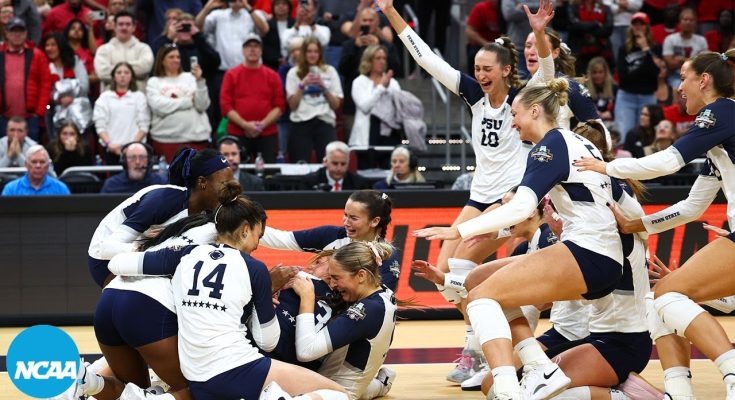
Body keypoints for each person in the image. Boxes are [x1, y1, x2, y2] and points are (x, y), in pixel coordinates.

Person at [415, 74, 638, 398]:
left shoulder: (551, 145)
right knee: (477, 281)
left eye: (515, 115)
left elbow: (522, 206)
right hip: (598, 253)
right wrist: (639, 225)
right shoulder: (581, 143)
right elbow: (626, 202)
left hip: (590, 251)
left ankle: (509, 389)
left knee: (479, 301)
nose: (512, 124)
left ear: (535, 111)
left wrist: (459, 229)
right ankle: (538, 367)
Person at [376, 0, 528, 383]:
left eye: (487, 69)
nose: (480, 75)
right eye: (476, 69)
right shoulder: (476, 98)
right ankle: (482, 342)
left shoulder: (522, 104)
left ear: (507, 70)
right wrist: (391, 12)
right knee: (444, 273)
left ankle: (475, 351)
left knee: (463, 270)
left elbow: (547, 77)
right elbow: (427, 58)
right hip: (478, 198)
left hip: (512, 200)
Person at [91, 182, 349, 400]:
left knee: (148, 384)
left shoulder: (184, 253)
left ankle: (92, 383)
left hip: (186, 363)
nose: (257, 246)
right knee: (338, 395)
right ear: (245, 229)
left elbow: (115, 263)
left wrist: (149, 253)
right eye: (258, 237)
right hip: (235, 366)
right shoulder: (254, 268)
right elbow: (267, 341)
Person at [574, 49, 735, 399]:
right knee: (659, 298)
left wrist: (608, 166)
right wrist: (640, 225)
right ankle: (679, 393)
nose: (680, 88)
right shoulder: (722, 136)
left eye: (685, 79)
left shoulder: (721, 111)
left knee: (668, 294)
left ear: (703, 81)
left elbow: (669, 161)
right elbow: (693, 207)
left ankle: (732, 374)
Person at [86, 147, 234, 289]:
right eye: (224, 184)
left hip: (143, 253)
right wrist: (155, 248)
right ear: (202, 183)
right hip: (104, 261)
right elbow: (106, 248)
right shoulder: (163, 200)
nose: (231, 189)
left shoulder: (210, 207)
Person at [290, 241, 397, 400]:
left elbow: (306, 352)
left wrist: (307, 296)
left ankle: (379, 386)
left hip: (336, 392)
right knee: (361, 387)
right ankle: (381, 385)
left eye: (336, 278)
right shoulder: (384, 294)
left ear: (361, 275)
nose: (332, 284)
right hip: (353, 383)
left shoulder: (368, 310)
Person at [262, 189, 400, 292]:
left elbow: (380, 302)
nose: (346, 222)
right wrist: (245, 225)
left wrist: (306, 280)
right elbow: (281, 238)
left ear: (374, 221)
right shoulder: (332, 235)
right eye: (345, 215)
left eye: (353, 218)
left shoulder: (387, 257)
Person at [220, 33, 285, 163]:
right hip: (237, 132)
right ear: (243, 50)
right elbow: (225, 105)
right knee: (237, 173)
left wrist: (261, 125)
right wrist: (245, 125)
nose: (252, 49)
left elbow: (279, 106)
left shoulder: (272, 75)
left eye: (256, 46)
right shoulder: (231, 75)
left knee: (268, 173)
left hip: (267, 134)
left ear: (261, 51)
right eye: (249, 46)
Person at [146, 44, 211, 162]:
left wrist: (200, 81)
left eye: (178, 57)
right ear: (162, 60)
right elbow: (159, 107)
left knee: (197, 178)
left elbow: (202, 105)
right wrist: (188, 101)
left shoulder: (191, 78)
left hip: (196, 138)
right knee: (171, 178)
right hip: (166, 140)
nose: (176, 60)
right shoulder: (154, 82)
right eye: (171, 57)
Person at [285, 36, 343, 163]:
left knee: (328, 163)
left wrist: (324, 87)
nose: (312, 55)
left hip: (324, 120)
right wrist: (302, 85)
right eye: (309, 51)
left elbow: (336, 105)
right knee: (300, 164)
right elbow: (292, 106)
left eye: (316, 51)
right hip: (301, 122)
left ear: (320, 53)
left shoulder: (330, 71)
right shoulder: (293, 73)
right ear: (303, 53)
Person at [337, 7, 400, 117]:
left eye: (371, 20)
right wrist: (355, 47)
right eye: (364, 20)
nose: (368, 23)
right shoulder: (349, 45)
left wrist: (378, 48)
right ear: (359, 22)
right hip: (353, 107)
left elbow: (396, 69)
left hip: (383, 109)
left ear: (378, 22)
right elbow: (343, 69)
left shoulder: (387, 46)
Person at [0, 17, 52, 140]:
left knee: (31, 153)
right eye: (13, 31)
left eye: (21, 31)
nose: (17, 34)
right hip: (2, 116)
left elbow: (45, 84)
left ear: (26, 33)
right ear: (6, 33)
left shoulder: (37, 55)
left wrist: (39, 112)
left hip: (30, 117)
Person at [93, 62, 150, 165]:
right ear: (113, 76)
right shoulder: (104, 97)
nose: (122, 75)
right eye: (119, 72)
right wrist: (110, 144)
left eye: (126, 72)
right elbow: (100, 125)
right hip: (110, 150)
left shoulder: (139, 97)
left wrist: (131, 147)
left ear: (131, 76)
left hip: (135, 151)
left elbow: (144, 126)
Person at [614, 11, 659, 142]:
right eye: (635, 24)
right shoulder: (624, 49)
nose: (638, 27)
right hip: (627, 96)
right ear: (631, 27)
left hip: (648, 96)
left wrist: (645, 48)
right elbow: (623, 77)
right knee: (624, 134)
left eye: (642, 24)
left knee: (648, 136)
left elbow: (655, 73)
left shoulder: (655, 48)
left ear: (647, 27)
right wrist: (644, 71)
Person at [348, 45, 401, 149]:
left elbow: (399, 107)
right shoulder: (359, 82)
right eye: (378, 58)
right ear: (369, 61)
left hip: (389, 132)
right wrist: (381, 88)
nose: (382, 61)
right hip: (366, 135)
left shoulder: (393, 83)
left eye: (384, 58)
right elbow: (365, 107)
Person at [94, 11, 154, 92]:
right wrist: (132, 70)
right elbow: (102, 73)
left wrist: (115, 69)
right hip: (110, 100)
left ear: (134, 27)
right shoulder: (103, 50)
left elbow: (145, 68)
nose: (124, 27)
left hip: (138, 99)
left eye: (128, 24)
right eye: (121, 24)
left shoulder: (144, 48)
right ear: (114, 27)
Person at [662, 7, 708, 88]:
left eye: (691, 20)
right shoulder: (670, 39)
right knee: (678, 86)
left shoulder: (701, 40)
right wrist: (694, 60)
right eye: (685, 19)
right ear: (679, 22)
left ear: (695, 23)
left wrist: (682, 59)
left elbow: (703, 65)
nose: (688, 22)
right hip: (675, 76)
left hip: (696, 76)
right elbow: (670, 64)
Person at [1, 145, 71, 195]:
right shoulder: (11, 189)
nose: (38, 166)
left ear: (47, 165)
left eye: (42, 162)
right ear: (26, 164)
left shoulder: (61, 188)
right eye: (34, 162)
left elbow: (68, 214)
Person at [100, 142, 167, 194]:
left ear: (149, 161)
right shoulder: (111, 185)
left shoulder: (161, 183)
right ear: (124, 161)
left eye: (142, 157)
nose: (137, 162)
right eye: (132, 157)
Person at [566, 0, 614, 72]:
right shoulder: (573, 8)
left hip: (601, 50)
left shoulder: (605, 8)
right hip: (579, 51)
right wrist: (596, 24)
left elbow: (608, 29)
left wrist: (585, 28)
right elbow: (573, 26)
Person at [302, 141, 368, 191]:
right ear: (325, 162)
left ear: (348, 163)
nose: (339, 168)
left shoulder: (359, 184)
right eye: (335, 163)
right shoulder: (310, 182)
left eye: (343, 164)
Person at [134, 0, 202, 44]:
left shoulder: (192, 1)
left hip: (184, 44)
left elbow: (198, 23)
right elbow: (141, 6)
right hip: (158, 44)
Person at [465, 0, 502, 75]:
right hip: (480, 47)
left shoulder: (505, 11)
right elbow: (469, 30)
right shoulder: (481, 8)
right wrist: (486, 43)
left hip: (499, 48)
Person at [262, 0, 294, 71]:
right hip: (272, 65)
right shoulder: (267, 25)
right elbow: (266, 46)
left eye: (284, 4)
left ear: (289, 7)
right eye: (277, 4)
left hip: (293, 63)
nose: (281, 6)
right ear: (273, 7)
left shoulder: (295, 24)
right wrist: (277, 59)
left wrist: (288, 58)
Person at [64, 19, 98, 85]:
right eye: (73, 28)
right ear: (67, 31)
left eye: (80, 29)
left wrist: (79, 79)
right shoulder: (61, 50)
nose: (76, 30)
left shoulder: (87, 53)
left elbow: (95, 77)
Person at [585, 56, 617, 124]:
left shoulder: (615, 88)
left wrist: (611, 113)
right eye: (594, 72)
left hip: (612, 123)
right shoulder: (585, 89)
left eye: (600, 72)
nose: (597, 75)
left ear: (606, 72)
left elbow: (620, 109)